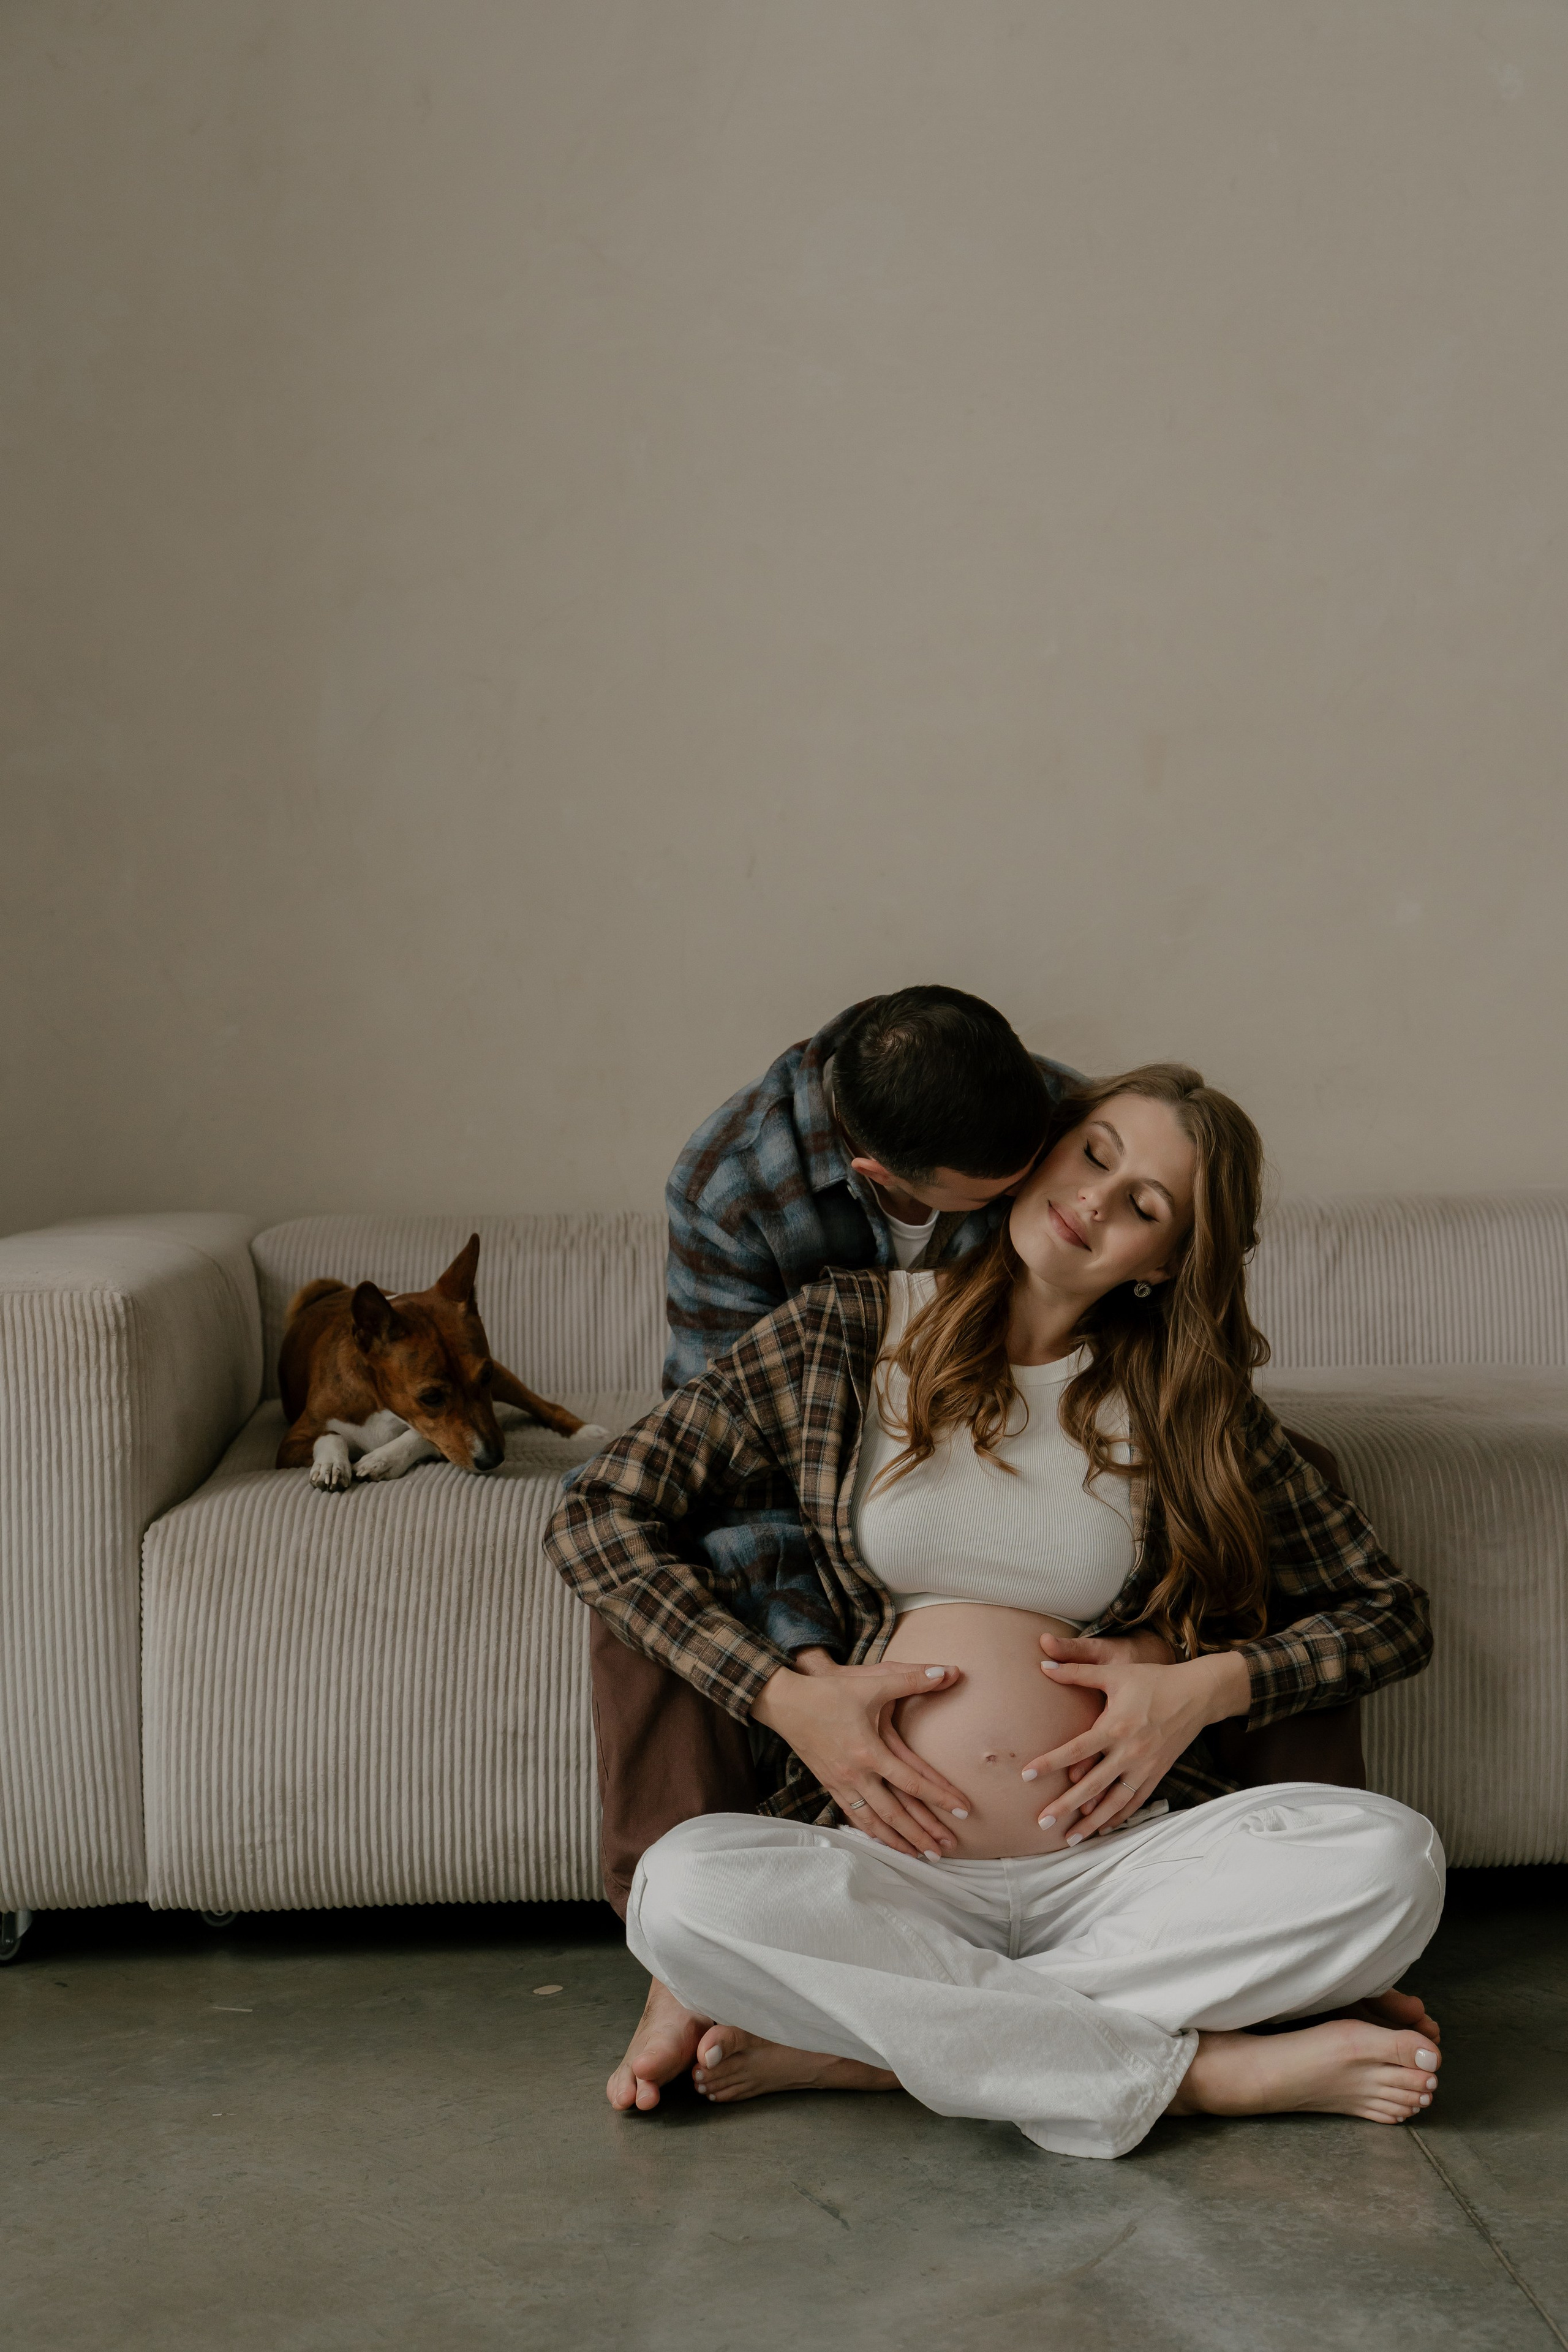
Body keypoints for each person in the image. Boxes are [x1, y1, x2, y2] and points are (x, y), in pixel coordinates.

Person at [546, 1066, 1442, 2156]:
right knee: (684, 1897)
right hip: (888, 1867)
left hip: (1120, 1869)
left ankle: (888, 2052)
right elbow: (600, 1510)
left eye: (1148, 1207)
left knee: (1393, 1862)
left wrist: (1200, 1690)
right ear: (1050, 1151)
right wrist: (783, 1700)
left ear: (1165, 1264)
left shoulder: (1188, 1407)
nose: (1099, 1202)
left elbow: (1386, 1612)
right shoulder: (844, 1330)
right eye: (1097, 1154)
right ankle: (1199, 2073)